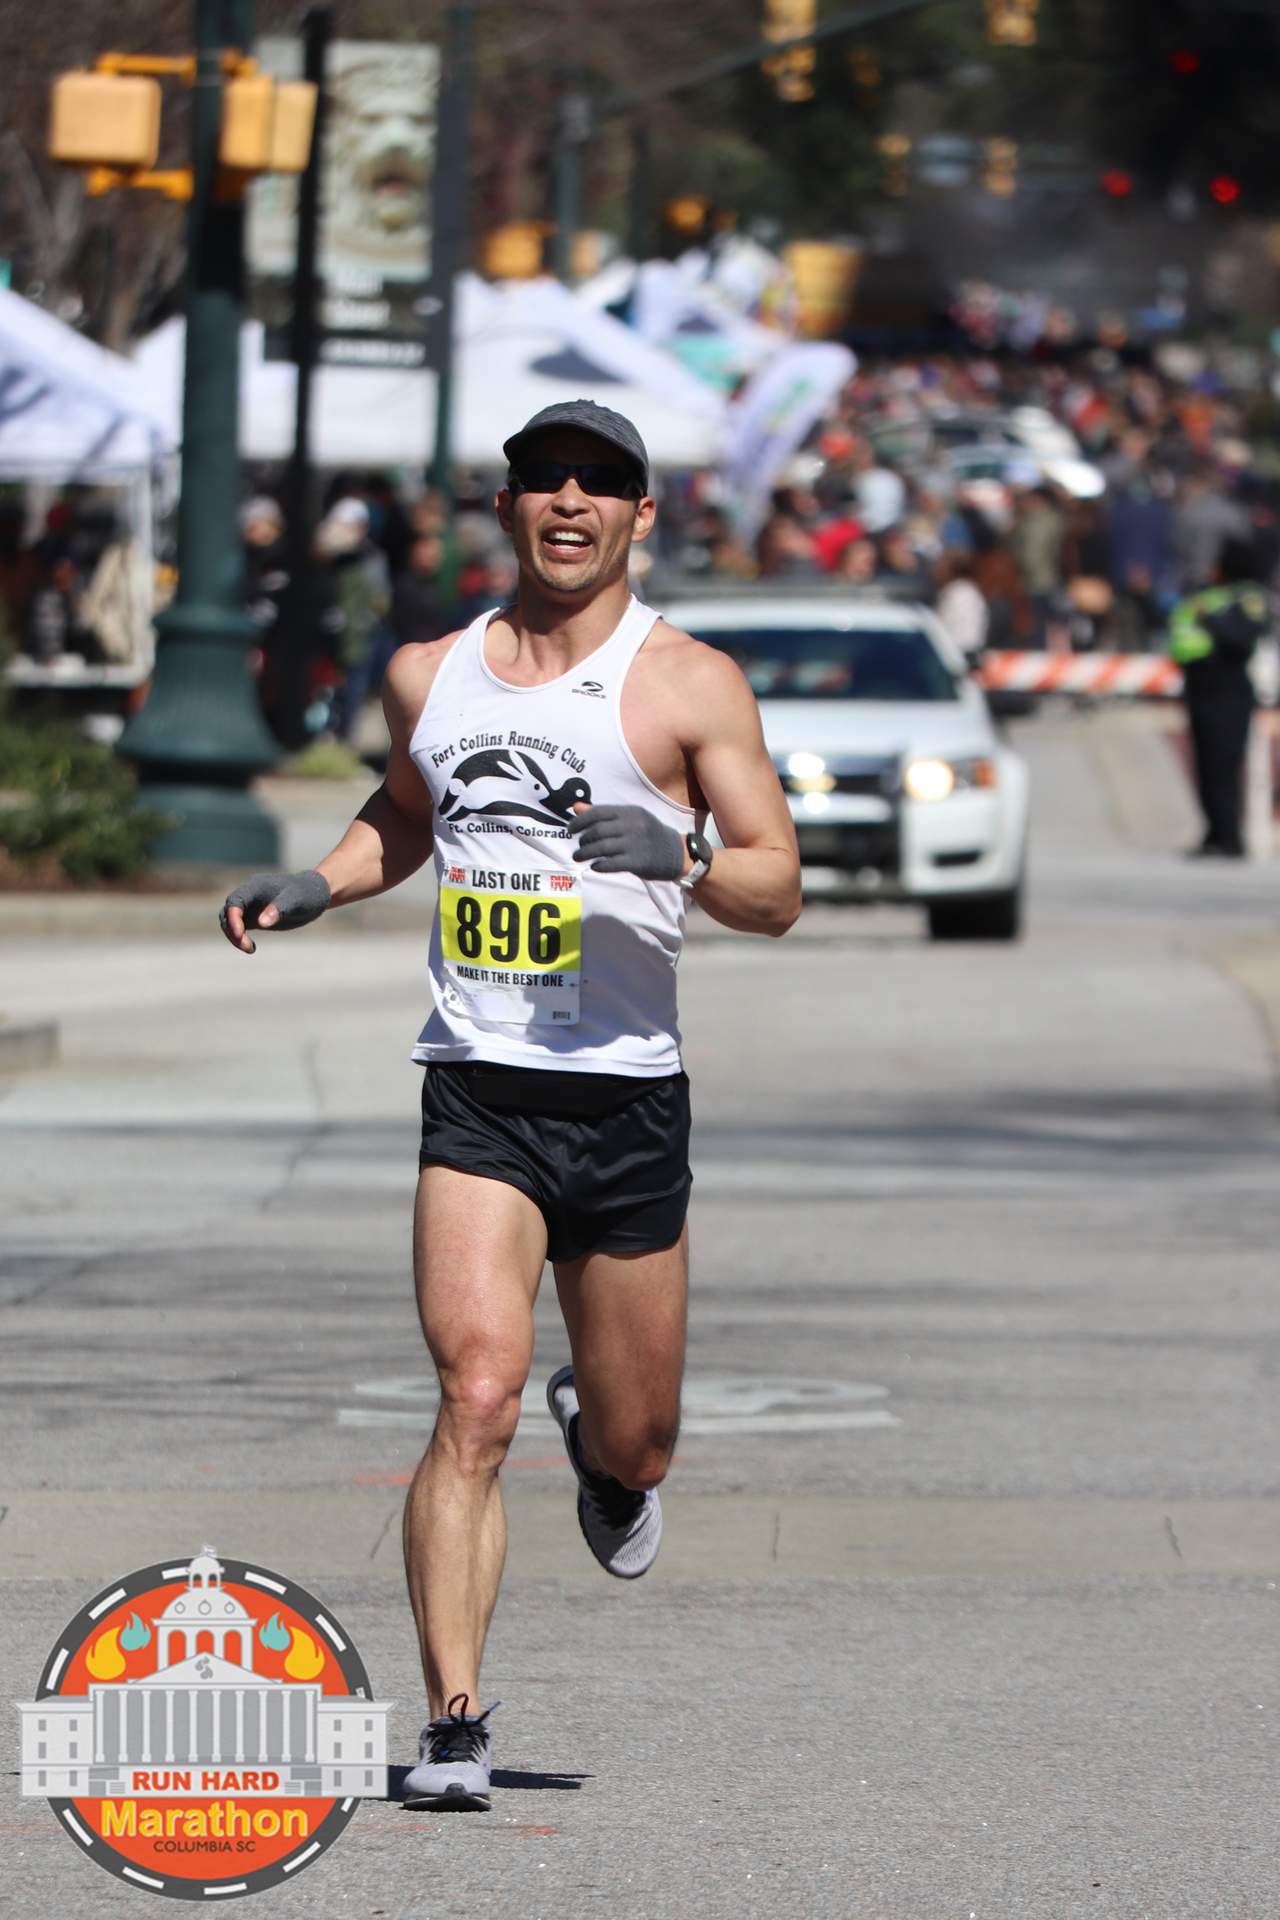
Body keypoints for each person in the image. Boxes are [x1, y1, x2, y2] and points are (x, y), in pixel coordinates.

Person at [218, 398, 801, 1810]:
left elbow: (776, 884)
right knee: (469, 1395)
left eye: (603, 483)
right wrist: (319, 881)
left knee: (636, 1436)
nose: (571, 501)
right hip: (480, 1085)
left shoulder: (688, 685)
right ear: (507, 504)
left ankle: (604, 1457)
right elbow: (406, 814)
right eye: (546, 477)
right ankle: (455, 1725)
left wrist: (678, 852)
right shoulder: (432, 675)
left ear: (641, 516)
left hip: (625, 1098)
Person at [1169, 537, 1269, 859]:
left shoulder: (1250, 599)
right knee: (1206, 766)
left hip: (1229, 693)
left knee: (1225, 766)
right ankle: (1215, 833)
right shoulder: (1209, 597)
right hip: (1202, 689)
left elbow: (1240, 638)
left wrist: (1209, 620)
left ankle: (1230, 838)